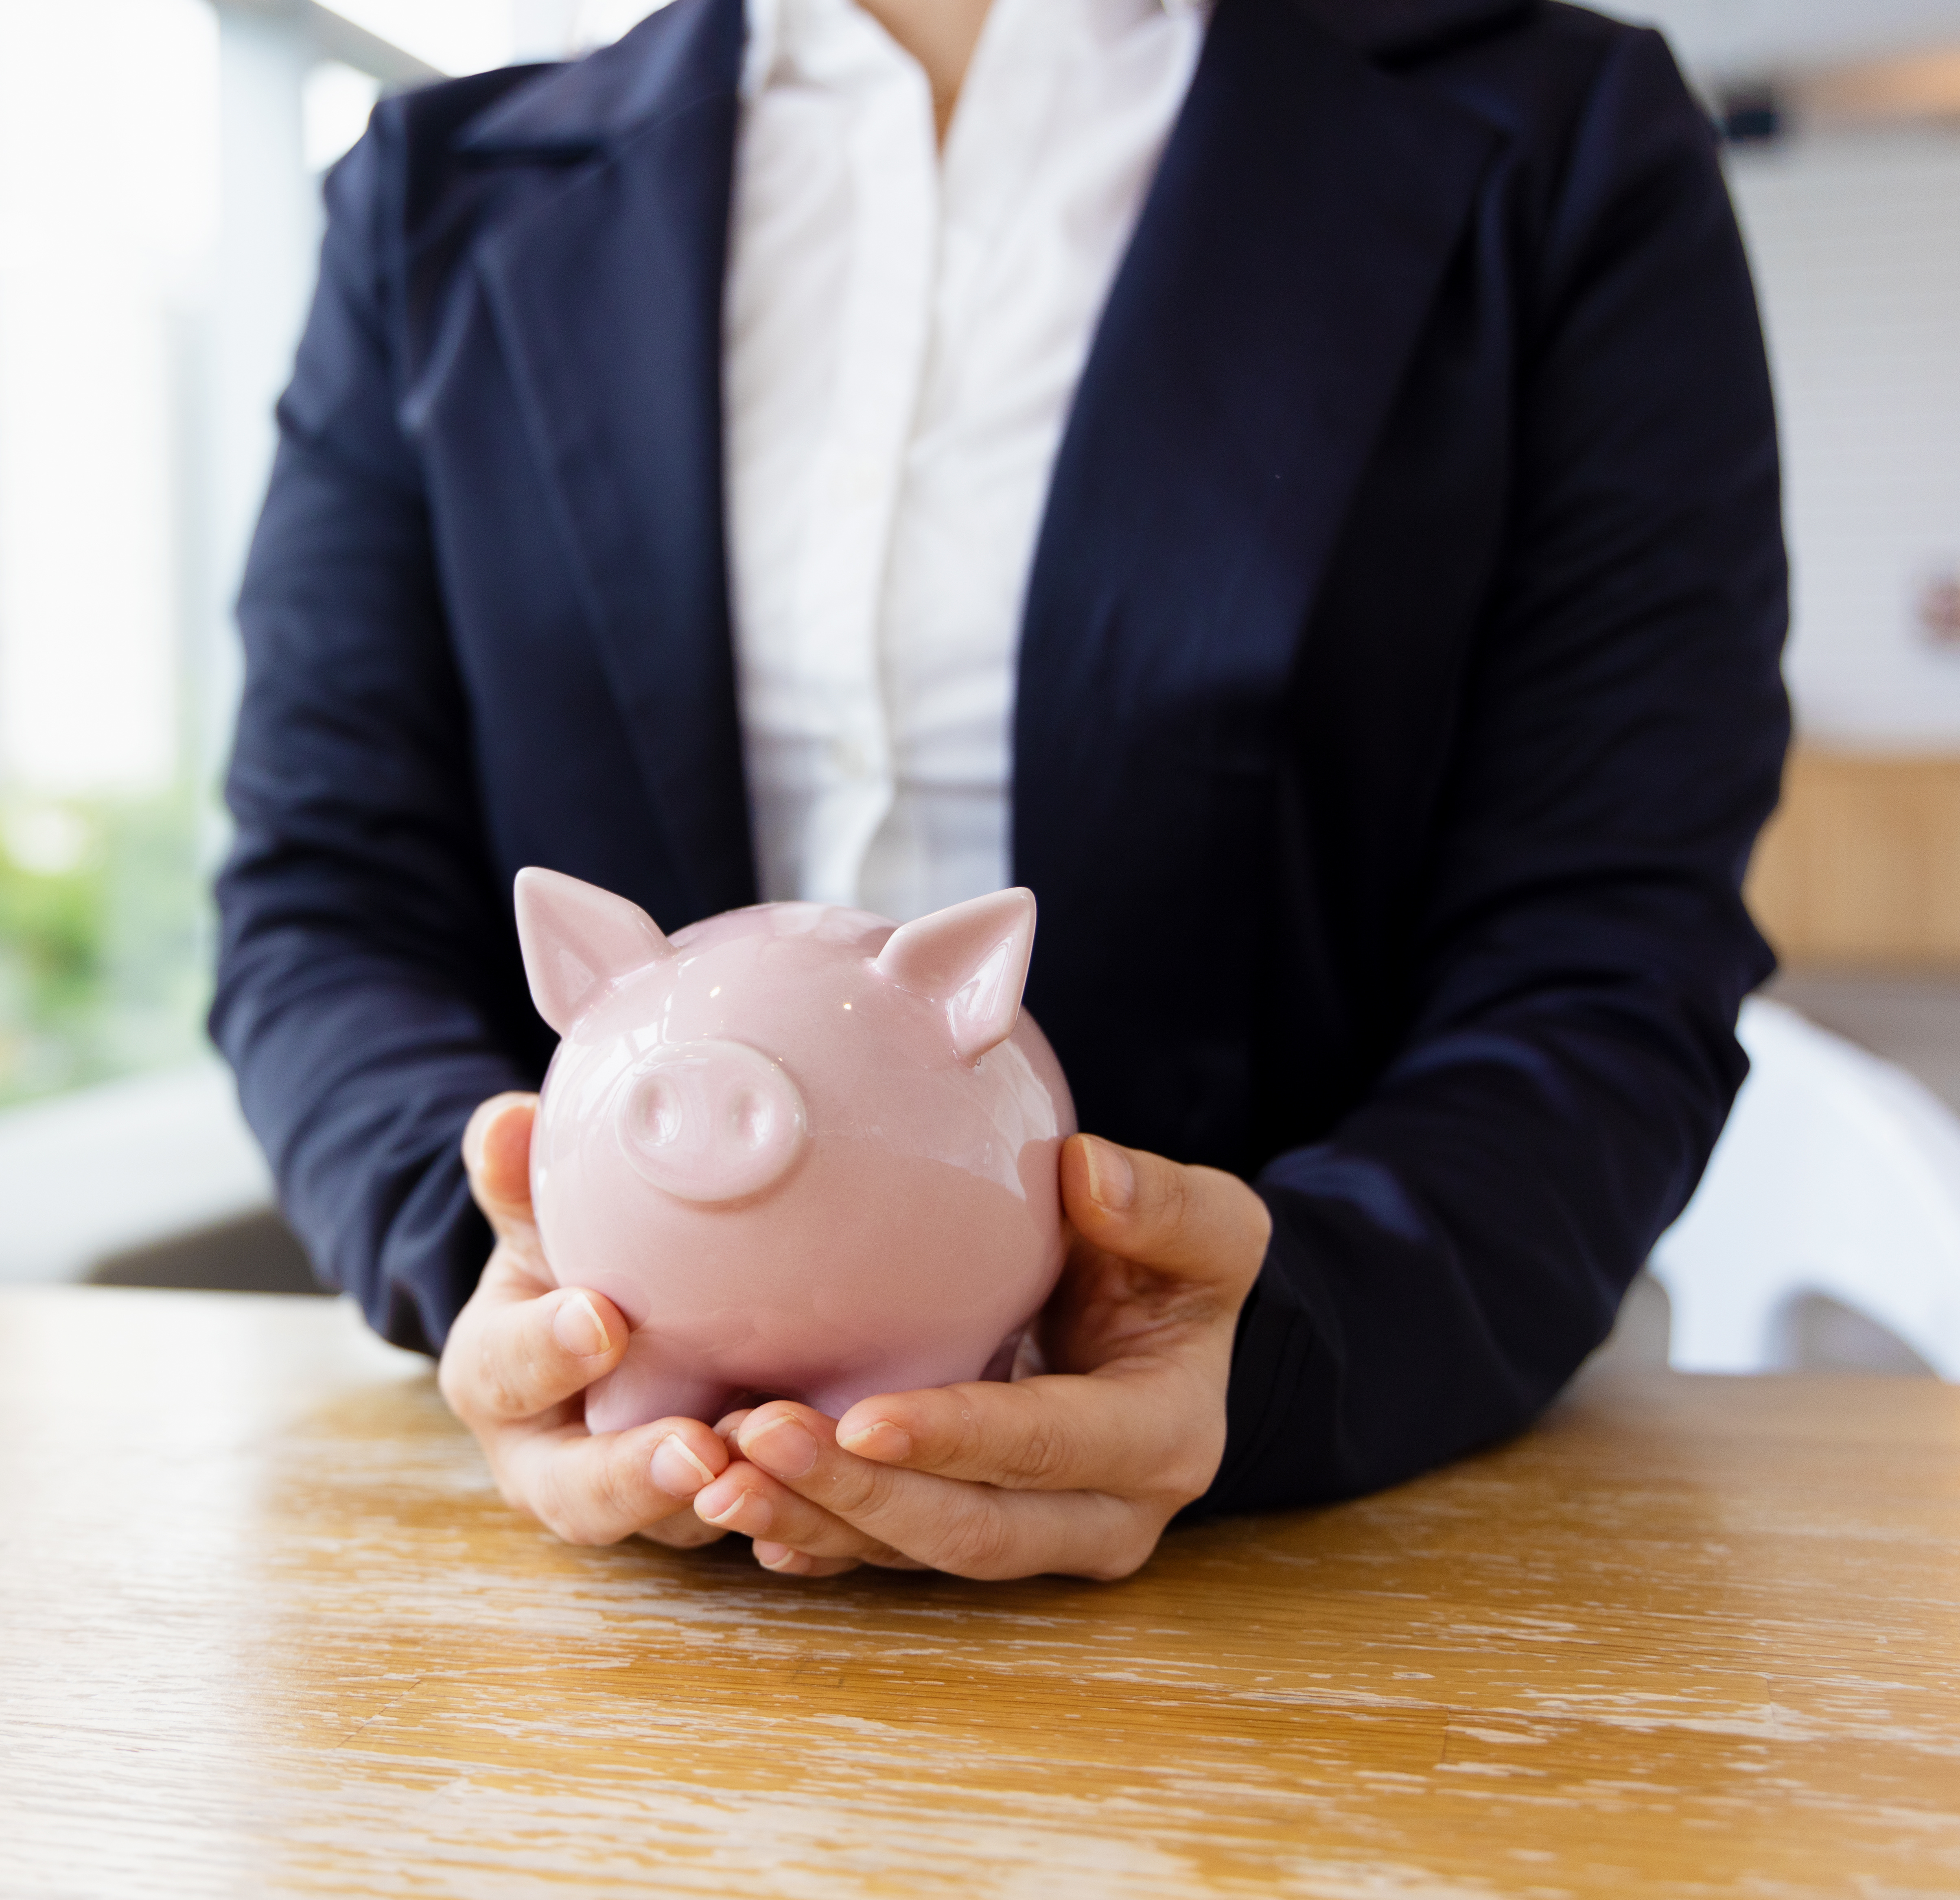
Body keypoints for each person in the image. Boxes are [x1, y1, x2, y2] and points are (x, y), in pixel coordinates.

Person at [211, 0, 1789, 1580]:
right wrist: (510, 1268)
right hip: (621, 1584)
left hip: (1299, 1579)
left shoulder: (1561, 141)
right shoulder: (439, 191)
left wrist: (1297, 1333)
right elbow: (324, 900)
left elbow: (1606, 939)